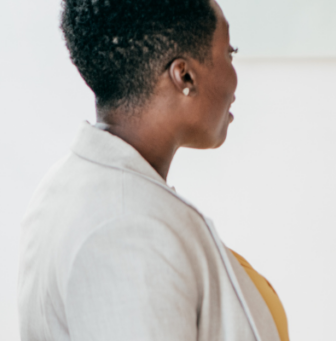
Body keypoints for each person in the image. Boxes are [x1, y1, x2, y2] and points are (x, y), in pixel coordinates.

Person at [17, 1, 289, 340]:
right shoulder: (125, 228)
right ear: (184, 75)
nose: (235, 78)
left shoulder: (77, 187)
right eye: (229, 54)